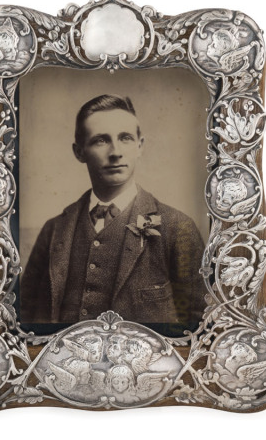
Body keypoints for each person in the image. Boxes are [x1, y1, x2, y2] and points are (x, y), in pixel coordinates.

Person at [20, 95, 206, 327]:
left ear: (140, 146)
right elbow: (24, 315)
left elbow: (201, 323)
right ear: (79, 152)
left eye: (125, 138)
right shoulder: (54, 229)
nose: (115, 151)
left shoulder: (177, 227)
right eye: (100, 140)